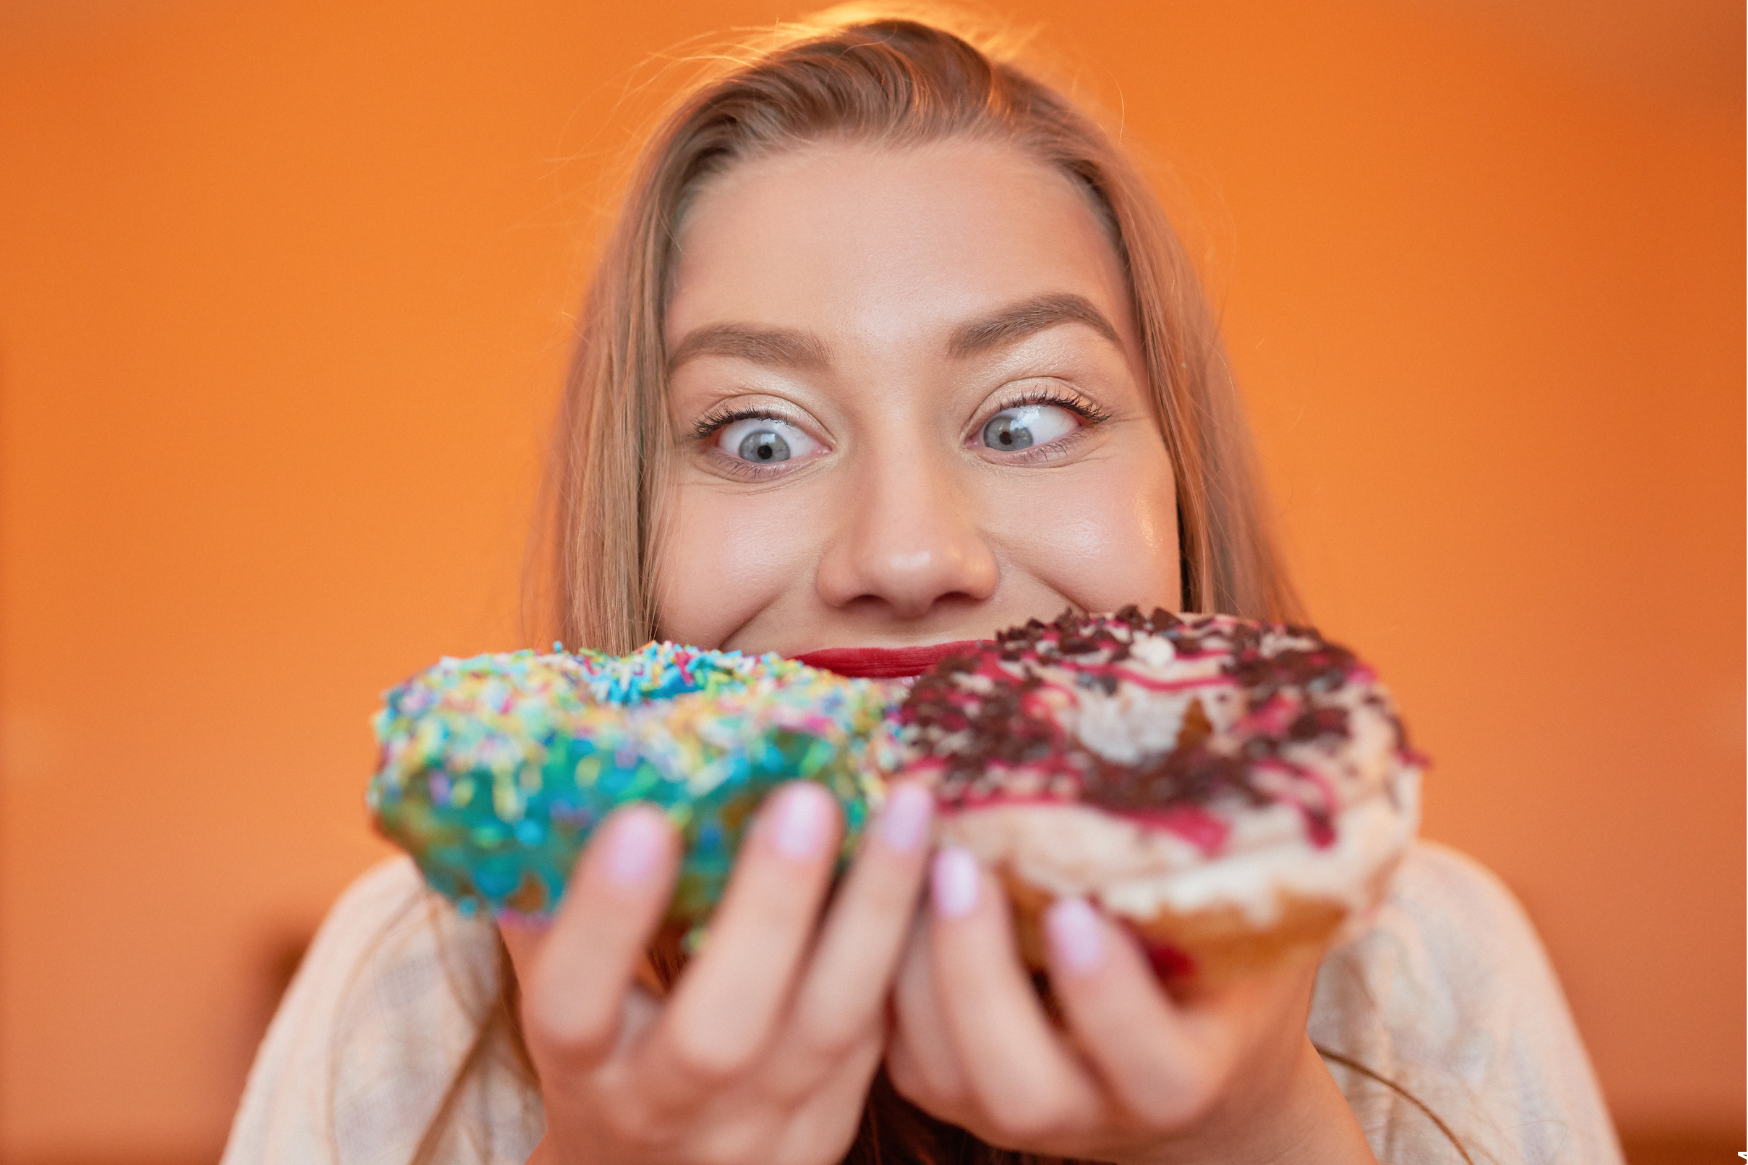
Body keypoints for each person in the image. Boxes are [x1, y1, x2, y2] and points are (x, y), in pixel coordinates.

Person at [222, 10, 1624, 1164]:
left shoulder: (1423, 961)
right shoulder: (414, 989)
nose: (905, 558)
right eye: (758, 435)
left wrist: (1261, 1139)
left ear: (1180, 491)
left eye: (1026, 419)